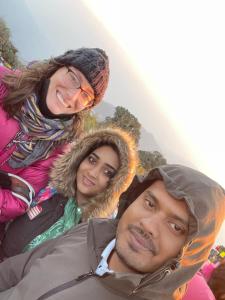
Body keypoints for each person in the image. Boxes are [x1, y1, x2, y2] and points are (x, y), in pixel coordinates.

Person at [0, 164, 224, 300]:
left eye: (175, 227)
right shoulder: (88, 233)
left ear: (190, 253)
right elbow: (13, 272)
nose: (148, 225)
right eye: (149, 203)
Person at [0, 47, 109, 222]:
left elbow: (20, 199)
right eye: (74, 78)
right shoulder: (4, 83)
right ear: (57, 67)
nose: (73, 96)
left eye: (86, 95)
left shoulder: (58, 148)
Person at [1, 127, 137, 257]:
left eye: (107, 172)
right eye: (92, 160)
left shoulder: (94, 237)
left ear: (115, 184)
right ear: (80, 158)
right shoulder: (46, 190)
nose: (93, 173)